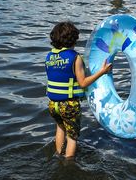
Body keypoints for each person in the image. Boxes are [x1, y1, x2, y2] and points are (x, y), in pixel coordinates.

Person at [45, 21, 112, 160]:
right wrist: (102, 72)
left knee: (60, 127)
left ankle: (58, 155)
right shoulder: (75, 58)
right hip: (69, 105)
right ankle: (68, 164)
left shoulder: (49, 57)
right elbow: (82, 83)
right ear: (73, 39)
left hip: (53, 104)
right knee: (72, 136)